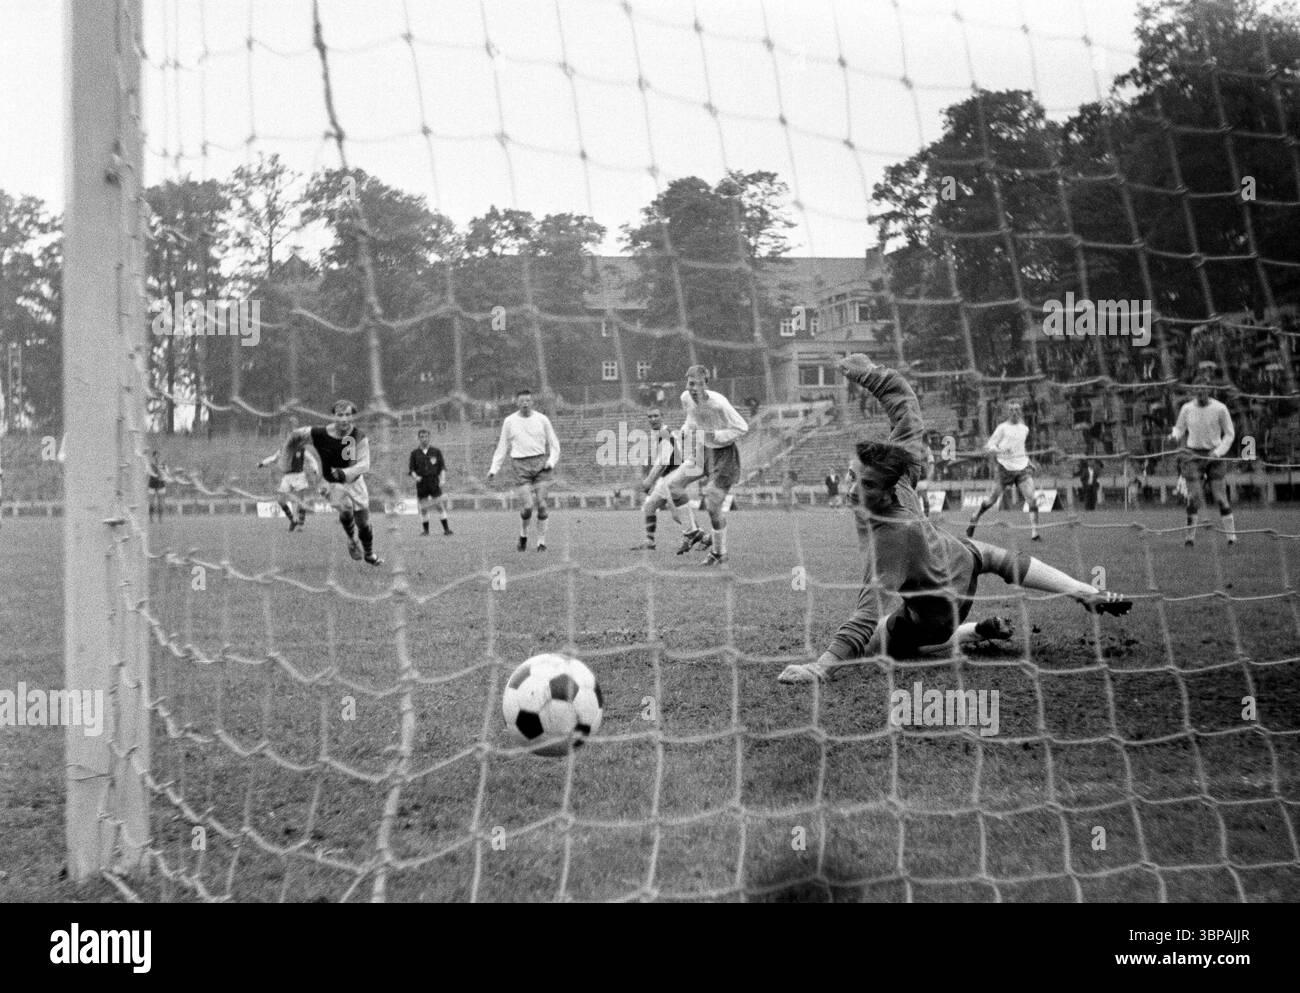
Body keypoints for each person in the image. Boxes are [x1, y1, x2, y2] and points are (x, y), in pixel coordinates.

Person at [778, 355, 1131, 685]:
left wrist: (820, 667)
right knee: (995, 557)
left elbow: (864, 616)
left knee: (877, 642)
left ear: (886, 492)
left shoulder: (889, 538)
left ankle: (975, 630)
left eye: (866, 484)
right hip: (957, 555)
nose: (853, 489)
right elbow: (906, 410)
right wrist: (871, 374)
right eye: (852, 475)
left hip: (939, 609)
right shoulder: (897, 471)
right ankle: (1080, 593)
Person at [664, 365, 749, 565]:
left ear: (706, 385)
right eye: (690, 383)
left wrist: (718, 436)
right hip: (703, 450)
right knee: (673, 486)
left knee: (712, 504)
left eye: (698, 384)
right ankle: (693, 532)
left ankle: (719, 552)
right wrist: (685, 429)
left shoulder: (719, 404)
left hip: (724, 454)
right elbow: (692, 417)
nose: (693, 388)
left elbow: (742, 427)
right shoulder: (685, 398)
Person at [283, 399, 382, 565]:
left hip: (355, 483)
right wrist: (286, 456)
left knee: (363, 523)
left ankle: (370, 554)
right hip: (330, 482)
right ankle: (352, 540)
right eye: (340, 415)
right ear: (333, 416)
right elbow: (295, 435)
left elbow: (365, 464)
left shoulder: (359, 437)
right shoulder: (319, 433)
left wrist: (344, 473)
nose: (344, 419)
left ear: (353, 416)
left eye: (348, 415)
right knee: (346, 506)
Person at [488, 388, 560, 552]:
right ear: (517, 403)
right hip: (520, 466)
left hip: (541, 465)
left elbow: (554, 445)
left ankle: (541, 542)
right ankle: (523, 535)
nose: (525, 404)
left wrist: (551, 462)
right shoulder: (509, 421)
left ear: (532, 402)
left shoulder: (542, 419)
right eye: (522, 401)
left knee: (541, 505)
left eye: (528, 400)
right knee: (528, 506)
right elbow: (502, 446)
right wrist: (494, 469)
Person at [1169, 378, 1237, 547]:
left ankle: (1231, 538)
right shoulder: (1187, 408)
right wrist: (1173, 436)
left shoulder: (1220, 408)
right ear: (1193, 391)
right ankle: (1190, 538)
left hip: (1215, 455)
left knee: (1220, 497)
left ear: (1210, 390)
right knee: (1193, 498)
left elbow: (1229, 434)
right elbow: (1179, 428)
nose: (1200, 392)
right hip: (1193, 455)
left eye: (1203, 389)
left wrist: (1218, 452)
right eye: (1197, 389)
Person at [967, 400, 1042, 542]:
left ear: (1020, 412)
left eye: (1017, 409)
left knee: (1032, 499)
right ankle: (975, 516)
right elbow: (988, 446)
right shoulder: (1002, 428)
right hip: (1004, 469)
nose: (1014, 412)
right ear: (1008, 412)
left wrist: (1029, 461)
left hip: (1022, 469)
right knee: (991, 500)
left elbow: (1021, 447)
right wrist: (1000, 450)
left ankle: (1034, 533)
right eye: (1012, 410)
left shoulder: (1025, 429)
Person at [631, 406, 686, 551]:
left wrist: (649, 481)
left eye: (656, 416)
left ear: (662, 416)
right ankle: (649, 541)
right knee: (650, 507)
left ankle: (701, 535)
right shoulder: (659, 434)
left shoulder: (664, 434)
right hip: (667, 478)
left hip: (672, 478)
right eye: (649, 417)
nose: (652, 419)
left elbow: (664, 461)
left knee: (677, 513)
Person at [257, 428, 317, 531]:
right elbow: (274, 458)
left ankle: (299, 524)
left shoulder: (302, 449)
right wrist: (262, 463)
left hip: (299, 476)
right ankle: (293, 519)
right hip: (287, 477)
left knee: (299, 500)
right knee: (280, 500)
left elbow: (311, 460)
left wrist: (315, 470)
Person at [409, 428, 452, 536]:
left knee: (439, 505)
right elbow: (412, 470)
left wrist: (442, 479)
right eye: (422, 437)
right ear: (418, 438)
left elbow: (442, 467)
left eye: (426, 436)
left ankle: (446, 529)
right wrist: (416, 477)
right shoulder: (414, 453)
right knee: (423, 507)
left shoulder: (436, 452)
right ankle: (426, 531)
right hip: (422, 482)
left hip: (433, 481)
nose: (424, 439)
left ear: (429, 437)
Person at [147, 450, 167, 521]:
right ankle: (151, 518)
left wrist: (162, 476)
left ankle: (160, 518)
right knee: (151, 503)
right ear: (153, 456)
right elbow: (149, 472)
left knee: (160, 502)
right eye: (155, 456)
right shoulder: (150, 464)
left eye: (158, 455)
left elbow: (166, 473)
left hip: (160, 484)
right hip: (152, 484)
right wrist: (156, 475)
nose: (157, 457)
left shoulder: (163, 464)